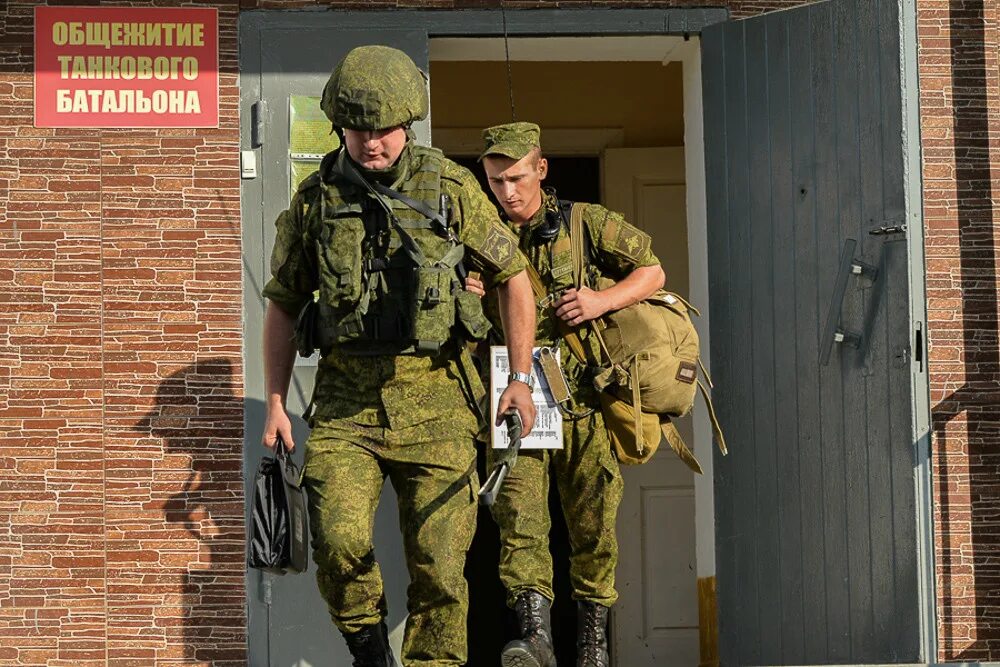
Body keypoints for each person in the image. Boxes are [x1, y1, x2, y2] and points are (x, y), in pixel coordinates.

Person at [260, 46, 537, 667]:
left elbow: (514, 280)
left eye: (383, 130)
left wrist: (520, 379)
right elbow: (282, 305)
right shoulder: (316, 200)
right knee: (337, 540)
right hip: (346, 402)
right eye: (358, 130)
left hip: (438, 400)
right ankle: (369, 654)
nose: (372, 143)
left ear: (406, 123)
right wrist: (276, 402)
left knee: (441, 566)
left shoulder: (451, 188)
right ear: (340, 127)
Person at [467, 122, 666, 667]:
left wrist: (601, 300)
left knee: (594, 524)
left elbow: (652, 270)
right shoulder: (478, 237)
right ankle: (534, 637)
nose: (506, 192)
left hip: (586, 404)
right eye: (494, 181)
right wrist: (469, 296)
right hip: (518, 398)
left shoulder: (586, 223)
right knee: (520, 518)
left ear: (541, 169)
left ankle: (592, 644)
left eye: (515, 178)